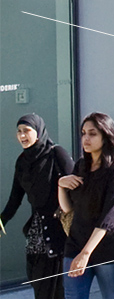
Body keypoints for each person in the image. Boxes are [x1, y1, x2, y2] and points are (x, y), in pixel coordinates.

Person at [57, 112, 114, 299]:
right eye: (83, 133)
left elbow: (109, 217)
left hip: (107, 248)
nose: (86, 138)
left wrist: (86, 254)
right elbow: (68, 210)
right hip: (75, 244)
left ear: (106, 136)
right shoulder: (81, 166)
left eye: (92, 134)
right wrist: (60, 185)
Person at [3, 113, 73, 299]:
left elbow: (77, 187)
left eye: (27, 130)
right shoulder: (22, 161)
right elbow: (15, 197)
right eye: (19, 131)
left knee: (56, 288)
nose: (22, 135)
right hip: (36, 231)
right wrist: (2, 219)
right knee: (38, 282)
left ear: (39, 131)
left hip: (59, 230)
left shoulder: (56, 153)